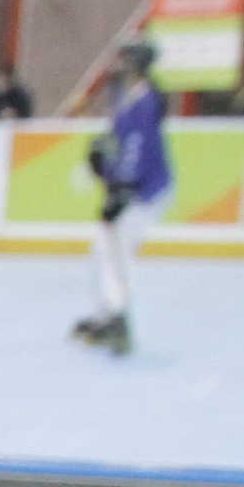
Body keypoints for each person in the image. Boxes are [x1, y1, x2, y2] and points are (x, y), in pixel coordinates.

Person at [75, 40, 170, 357]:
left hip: (146, 191)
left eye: (120, 61)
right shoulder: (126, 96)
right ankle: (108, 314)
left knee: (114, 252)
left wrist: (123, 189)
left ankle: (118, 318)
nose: (112, 65)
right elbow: (118, 142)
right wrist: (105, 173)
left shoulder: (144, 102)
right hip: (132, 187)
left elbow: (137, 150)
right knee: (103, 248)